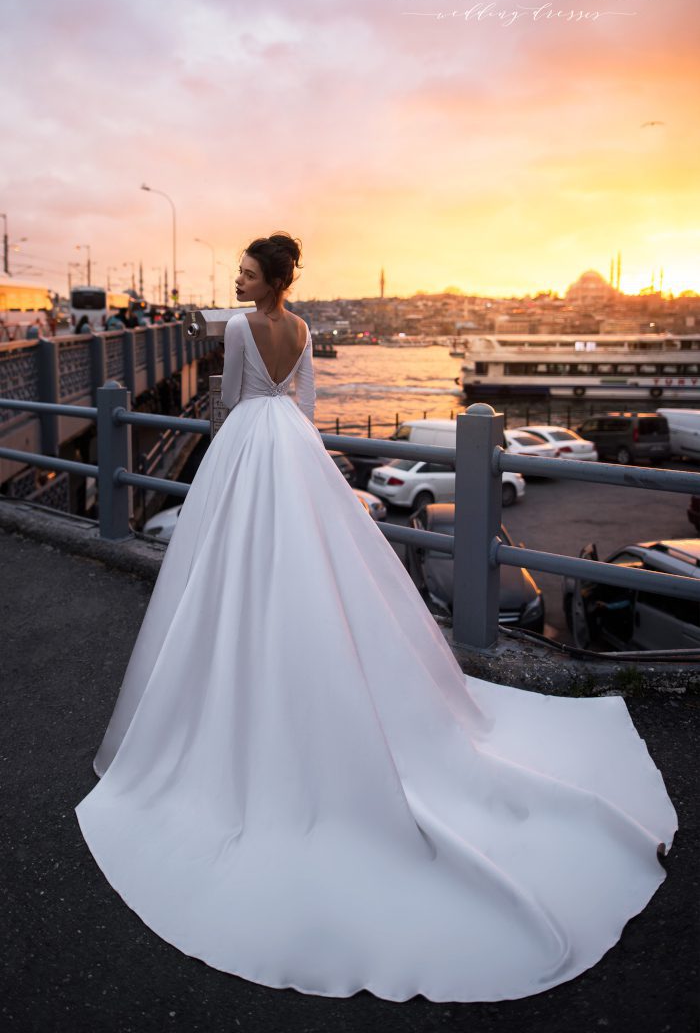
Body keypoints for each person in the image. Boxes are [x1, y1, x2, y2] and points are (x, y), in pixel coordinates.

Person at [74, 232, 677, 1004]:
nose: (238, 277)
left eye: (247, 271)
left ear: (269, 278)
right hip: (294, 448)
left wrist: (233, 443)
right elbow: (307, 406)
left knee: (230, 575)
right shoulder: (302, 330)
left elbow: (230, 404)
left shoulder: (235, 328)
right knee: (320, 570)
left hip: (249, 449)